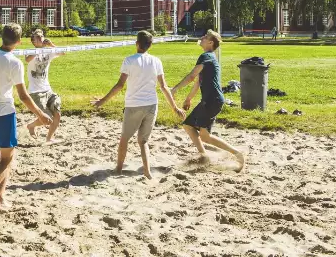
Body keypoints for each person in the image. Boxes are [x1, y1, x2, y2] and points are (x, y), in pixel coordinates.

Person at [0, 23, 51, 211]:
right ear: (19, 41)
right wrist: (41, 114)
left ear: (2, 37)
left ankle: (0, 199)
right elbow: (23, 96)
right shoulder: (14, 63)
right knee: (6, 160)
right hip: (4, 113)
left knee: (7, 156)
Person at [91, 30, 185, 178]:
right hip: (152, 105)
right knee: (143, 141)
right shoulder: (156, 61)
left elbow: (119, 85)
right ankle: (147, 172)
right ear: (150, 45)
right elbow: (164, 87)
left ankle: (118, 169)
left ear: (137, 44)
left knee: (124, 139)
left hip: (133, 105)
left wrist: (103, 100)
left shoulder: (129, 60)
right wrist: (175, 107)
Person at [171, 30, 245, 171]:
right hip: (213, 100)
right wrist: (188, 99)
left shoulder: (206, 56)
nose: (202, 37)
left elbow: (192, 76)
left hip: (211, 100)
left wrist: (174, 89)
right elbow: (198, 82)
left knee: (191, 127)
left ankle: (209, 155)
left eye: (205, 37)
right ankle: (219, 155)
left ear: (210, 43)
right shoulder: (210, 57)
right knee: (202, 134)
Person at [25, 29, 63, 143]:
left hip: (48, 89)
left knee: (57, 114)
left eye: (42, 36)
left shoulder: (48, 51)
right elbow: (27, 59)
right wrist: (40, 48)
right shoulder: (30, 51)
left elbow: (62, 53)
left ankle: (49, 138)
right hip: (35, 91)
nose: (41, 38)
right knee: (47, 118)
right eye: (38, 37)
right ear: (33, 41)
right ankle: (31, 126)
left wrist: (51, 45)